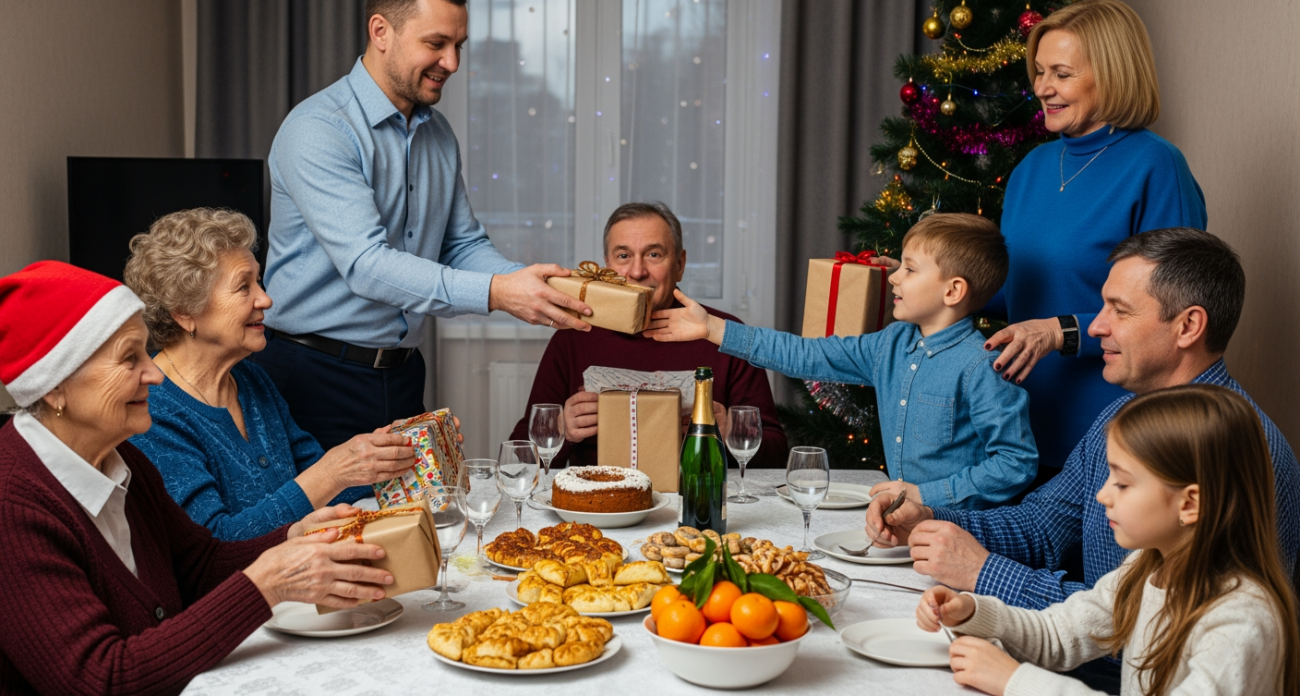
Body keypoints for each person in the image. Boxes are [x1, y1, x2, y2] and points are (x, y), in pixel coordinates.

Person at [868, 228, 1300, 692]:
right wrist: (932, 519)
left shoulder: (1244, 451)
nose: (1094, 327)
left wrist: (984, 574)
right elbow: (1044, 526)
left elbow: (1136, 632)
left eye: (1120, 309)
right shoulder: (1123, 416)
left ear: (1188, 326)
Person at [0, 261, 396, 694]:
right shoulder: (13, 507)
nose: (153, 372)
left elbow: (198, 564)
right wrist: (266, 584)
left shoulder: (123, 459)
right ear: (55, 387)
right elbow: (103, 679)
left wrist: (293, 537)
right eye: (129, 359)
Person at [251, 0, 594, 454]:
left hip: (402, 373)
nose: (451, 63)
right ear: (380, 32)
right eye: (436, 43)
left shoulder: (438, 133)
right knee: (328, 525)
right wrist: (497, 292)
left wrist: (527, 284)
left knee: (417, 523)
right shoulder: (319, 129)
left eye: (458, 45)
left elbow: (461, 243)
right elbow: (366, 265)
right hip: (312, 374)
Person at [917, 385, 1300, 696]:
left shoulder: (1242, 621)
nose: (1103, 495)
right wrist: (973, 612)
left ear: (1190, 503)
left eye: (1123, 482)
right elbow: (1059, 633)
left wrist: (1015, 681)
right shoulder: (1145, 568)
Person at [649, 213, 1037, 509]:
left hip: (963, 530)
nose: (892, 278)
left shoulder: (983, 366)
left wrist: (925, 494)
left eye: (909, 269)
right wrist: (713, 328)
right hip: (906, 521)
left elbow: (1015, 464)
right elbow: (807, 354)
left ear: (953, 290)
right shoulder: (892, 344)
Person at [979, 0, 1208, 482]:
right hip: (1017, 434)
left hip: (1113, 438)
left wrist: (1056, 332)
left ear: (1113, 73)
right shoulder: (1031, 169)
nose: (1042, 88)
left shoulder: (1155, 166)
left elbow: (1170, 313)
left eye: (1061, 73)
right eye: (1039, 72)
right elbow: (1017, 289)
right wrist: (932, 280)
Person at [124, 209, 419, 541]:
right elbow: (212, 546)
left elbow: (323, 485)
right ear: (184, 312)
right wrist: (332, 473)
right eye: (243, 287)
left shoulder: (251, 379)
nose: (265, 299)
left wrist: (398, 452)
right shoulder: (151, 412)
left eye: (259, 281)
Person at [509, 202, 787, 469]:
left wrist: (730, 431)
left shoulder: (723, 332)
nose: (637, 272)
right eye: (623, 256)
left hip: (693, 501)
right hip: (600, 503)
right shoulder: (573, 335)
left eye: (654, 254)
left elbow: (777, 453)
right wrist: (561, 431)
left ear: (680, 264)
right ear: (606, 267)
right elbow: (520, 452)